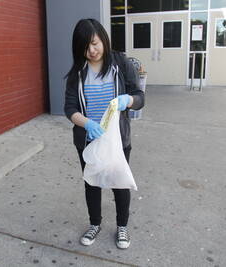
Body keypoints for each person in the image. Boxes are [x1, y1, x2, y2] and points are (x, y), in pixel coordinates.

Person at [64, 19, 144, 249]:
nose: (91, 51)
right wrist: (87, 123)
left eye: (95, 43)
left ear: (103, 38)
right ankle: (94, 223)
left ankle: (122, 227)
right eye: (85, 47)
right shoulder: (77, 72)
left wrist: (127, 100)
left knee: (120, 183)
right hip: (89, 140)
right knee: (92, 183)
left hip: (118, 140)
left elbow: (139, 96)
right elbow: (70, 108)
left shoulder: (120, 63)